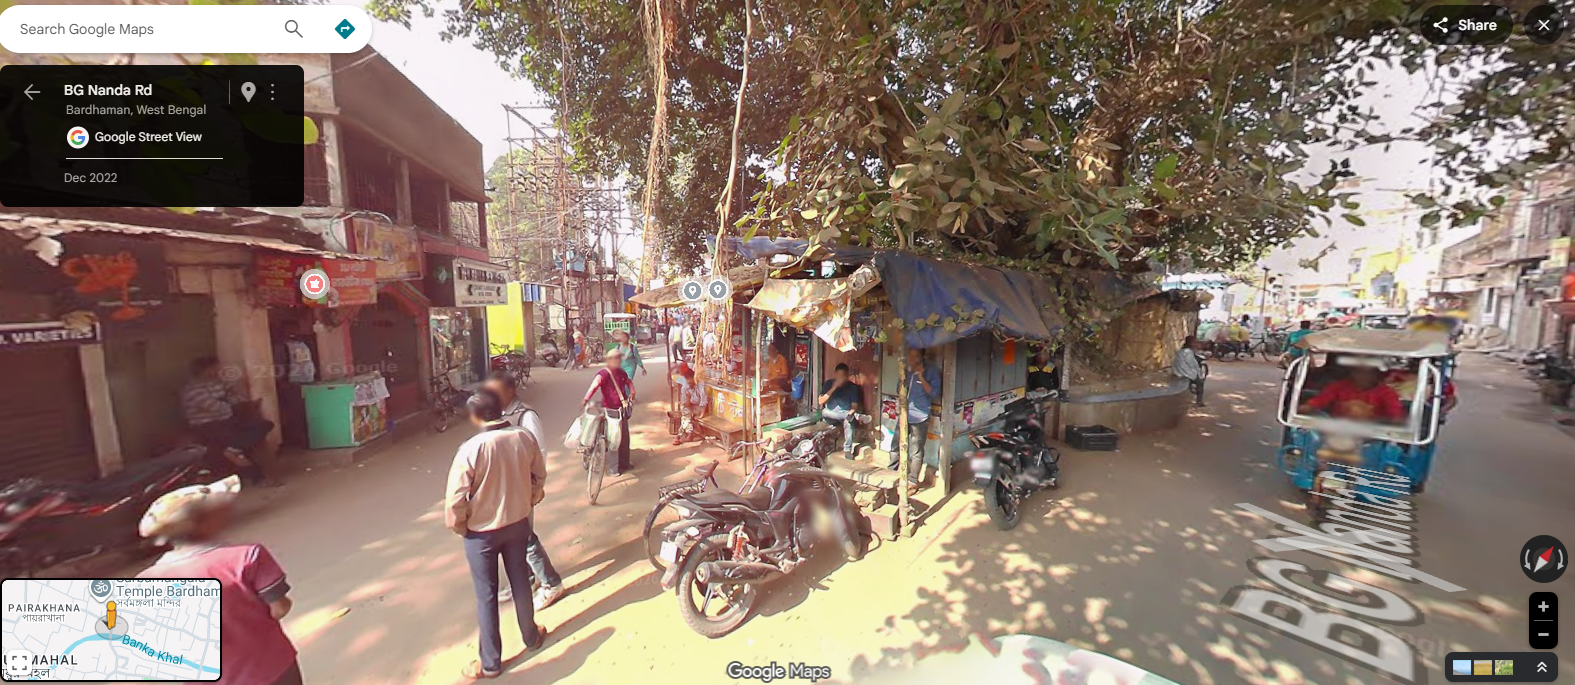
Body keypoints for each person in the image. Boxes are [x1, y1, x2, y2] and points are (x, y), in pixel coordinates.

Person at [136, 475, 301, 685]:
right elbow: (279, 608)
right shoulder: (248, 556)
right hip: (270, 669)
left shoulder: (146, 580)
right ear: (205, 524)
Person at [444, 390, 549, 680]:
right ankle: (531, 636)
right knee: (521, 581)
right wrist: (530, 498)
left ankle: (490, 663)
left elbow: (455, 500)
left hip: (481, 534)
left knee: (486, 595)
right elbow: (539, 475)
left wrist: (461, 526)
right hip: (517, 523)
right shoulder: (522, 437)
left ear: (476, 416)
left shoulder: (470, 449)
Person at [482, 373, 565, 611]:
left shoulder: (526, 416)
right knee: (513, 538)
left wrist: (535, 486)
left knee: (524, 537)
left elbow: (539, 453)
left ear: (510, 390)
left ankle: (551, 583)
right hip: (504, 489)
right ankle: (526, 579)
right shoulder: (499, 415)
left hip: (522, 488)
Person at [182, 356, 275, 486]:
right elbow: (217, 408)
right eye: (214, 367)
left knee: (265, 425)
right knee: (235, 441)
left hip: (228, 421)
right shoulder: (193, 390)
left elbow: (237, 398)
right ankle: (256, 476)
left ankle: (234, 449)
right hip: (206, 426)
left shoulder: (218, 383)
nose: (218, 370)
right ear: (205, 369)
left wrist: (229, 402)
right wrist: (228, 402)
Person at [895, 348, 941, 494]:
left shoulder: (931, 371)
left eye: (915, 356)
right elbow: (898, 389)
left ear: (922, 356)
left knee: (916, 451)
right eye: (910, 355)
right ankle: (891, 474)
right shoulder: (906, 370)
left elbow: (935, 393)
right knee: (895, 445)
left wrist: (921, 377)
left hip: (920, 416)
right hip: (904, 414)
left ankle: (913, 482)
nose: (912, 358)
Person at [582, 349, 636, 475]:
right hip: (610, 411)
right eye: (616, 358)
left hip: (621, 409)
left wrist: (632, 391)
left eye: (619, 358)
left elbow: (628, 381)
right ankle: (613, 469)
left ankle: (625, 464)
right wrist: (586, 399)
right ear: (610, 360)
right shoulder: (604, 373)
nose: (619, 360)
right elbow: (594, 386)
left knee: (624, 439)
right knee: (614, 439)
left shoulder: (621, 372)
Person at [1299, 365, 1405, 423]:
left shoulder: (1387, 393)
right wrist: (1308, 406)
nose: (1362, 376)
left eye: (1367, 373)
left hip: (1371, 435)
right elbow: (1321, 399)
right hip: (1337, 430)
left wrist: (1391, 421)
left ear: (1376, 375)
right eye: (1358, 372)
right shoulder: (1338, 386)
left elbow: (1395, 416)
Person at [818, 363, 867, 456]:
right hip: (830, 415)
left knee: (849, 420)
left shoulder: (852, 387)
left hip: (846, 415)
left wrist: (851, 413)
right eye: (839, 376)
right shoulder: (828, 384)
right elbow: (821, 401)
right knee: (824, 411)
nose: (841, 379)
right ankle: (857, 416)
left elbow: (854, 406)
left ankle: (847, 450)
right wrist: (833, 388)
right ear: (835, 375)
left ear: (847, 376)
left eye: (843, 376)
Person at [673, 364, 708, 445]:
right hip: (690, 407)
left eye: (690, 380)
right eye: (687, 381)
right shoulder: (685, 387)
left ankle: (680, 435)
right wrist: (688, 399)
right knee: (686, 413)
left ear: (694, 378)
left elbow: (704, 401)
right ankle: (689, 433)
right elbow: (685, 404)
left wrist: (701, 415)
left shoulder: (701, 385)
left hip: (699, 407)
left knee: (686, 414)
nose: (689, 382)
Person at [1172, 336, 1207, 407]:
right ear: (1191, 343)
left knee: (1195, 375)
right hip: (1184, 372)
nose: (1197, 344)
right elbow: (1192, 363)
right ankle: (1199, 401)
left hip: (1178, 370)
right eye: (1195, 342)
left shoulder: (1183, 350)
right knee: (1200, 382)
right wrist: (1197, 368)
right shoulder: (1188, 352)